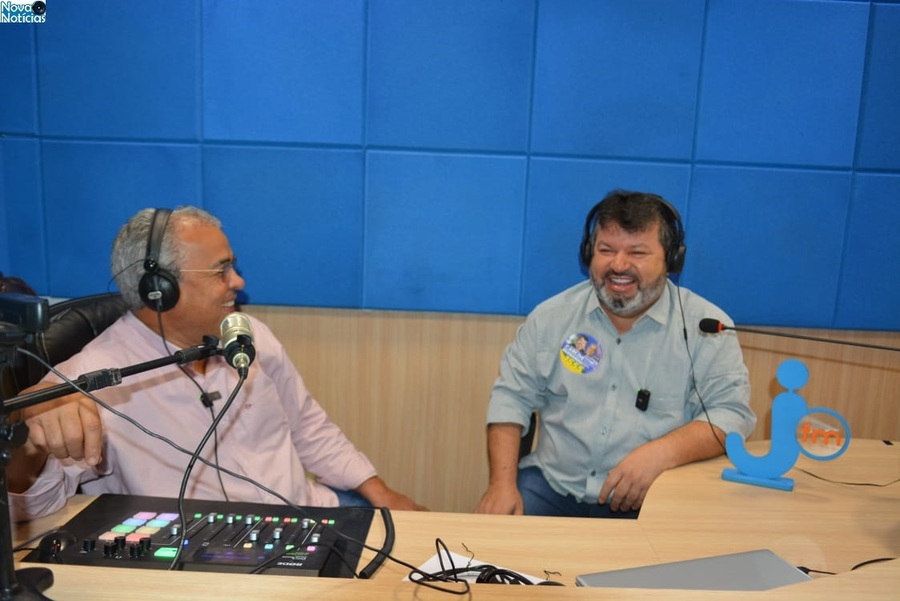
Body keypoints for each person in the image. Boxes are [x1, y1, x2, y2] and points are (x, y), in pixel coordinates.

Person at [8, 206, 425, 520]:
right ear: (159, 288)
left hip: (306, 516)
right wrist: (29, 439)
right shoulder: (84, 382)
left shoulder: (249, 334)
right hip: (203, 555)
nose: (238, 282)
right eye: (220, 271)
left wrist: (380, 492)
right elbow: (30, 508)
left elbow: (308, 428)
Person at [475, 190, 756, 518]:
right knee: (490, 546)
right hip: (553, 487)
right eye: (606, 250)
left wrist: (661, 454)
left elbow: (730, 414)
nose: (619, 265)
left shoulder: (706, 328)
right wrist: (501, 485)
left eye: (637, 252)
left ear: (671, 260)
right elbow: (511, 398)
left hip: (652, 497)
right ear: (588, 253)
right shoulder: (550, 318)